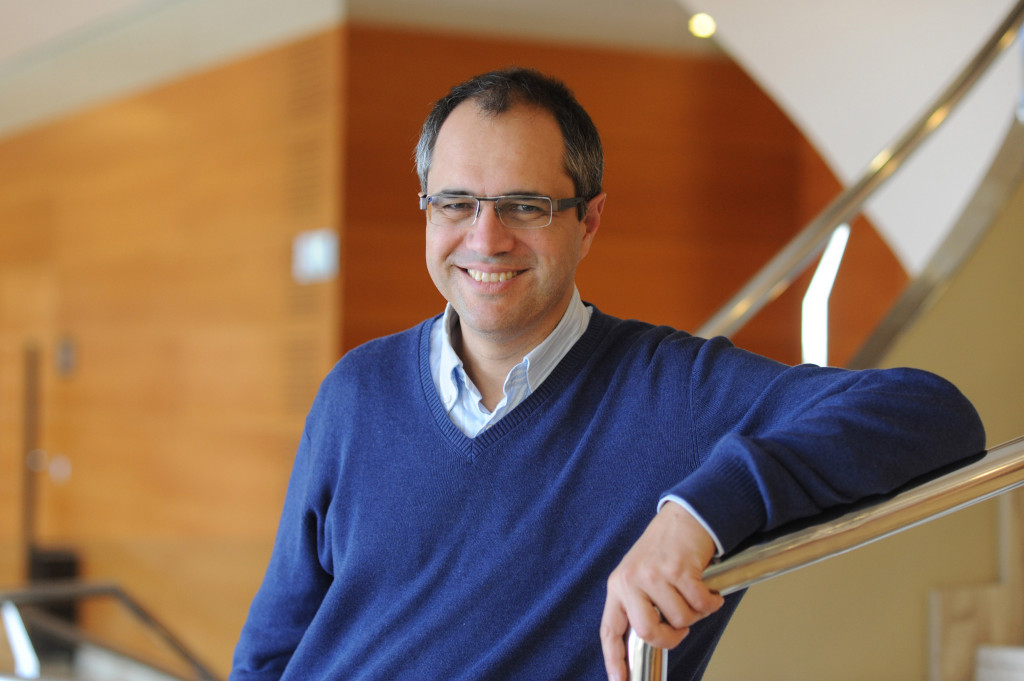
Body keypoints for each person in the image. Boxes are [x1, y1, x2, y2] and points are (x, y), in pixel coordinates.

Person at [228, 67, 985, 681]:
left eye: (525, 206)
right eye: (455, 203)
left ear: (587, 222)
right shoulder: (356, 389)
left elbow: (934, 414)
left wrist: (699, 514)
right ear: (427, 211)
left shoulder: (678, 392)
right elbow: (271, 649)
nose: (485, 239)